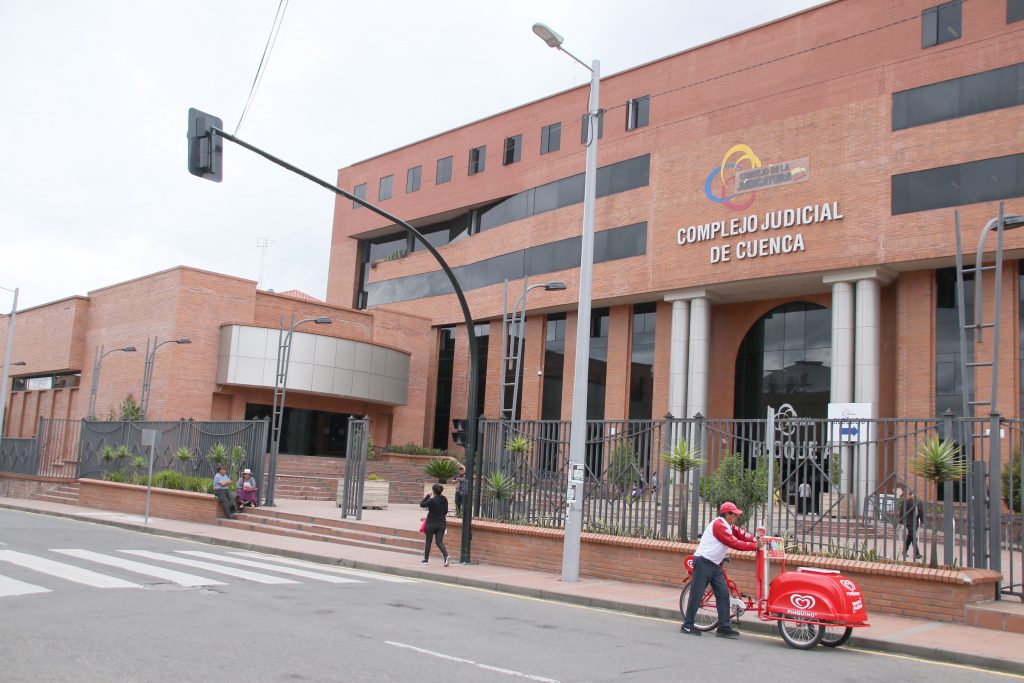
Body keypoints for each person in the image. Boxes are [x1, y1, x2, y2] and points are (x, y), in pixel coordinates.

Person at [680, 501, 763, 638]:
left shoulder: (729, 526)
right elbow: (733, 542)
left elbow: (742, 535)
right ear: (727, 514)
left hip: (715, 565)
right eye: (734, 514)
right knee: (697, 594)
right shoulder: (719, 525)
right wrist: (754, 546)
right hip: (703, 562)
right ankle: (687, 625)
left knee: (723, 594)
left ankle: (724, 627)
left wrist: (757, 541)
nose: (737, 517)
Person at [420, 483, 450, 566]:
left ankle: (425, 560)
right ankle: (446, 556)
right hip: (441, 523)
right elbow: (445, 511)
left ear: (433, 491)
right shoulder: (445, 499)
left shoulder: (432, 500)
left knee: (428, 541)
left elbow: (422, 504)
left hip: (431, 523)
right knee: (439, 542)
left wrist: (427, 496)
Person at [899, 490, 924, 561]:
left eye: (915, 494)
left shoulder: (919, 502)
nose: (914, 496)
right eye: (913, 494)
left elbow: (921, 512)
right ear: (910, 495)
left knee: (910, 537)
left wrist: (922, 521)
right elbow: (902, 512)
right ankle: (917, 554)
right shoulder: (906, 502)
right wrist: (901, 522)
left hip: (915, 522)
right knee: (913, 537)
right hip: (909, 522)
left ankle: (904, 551)